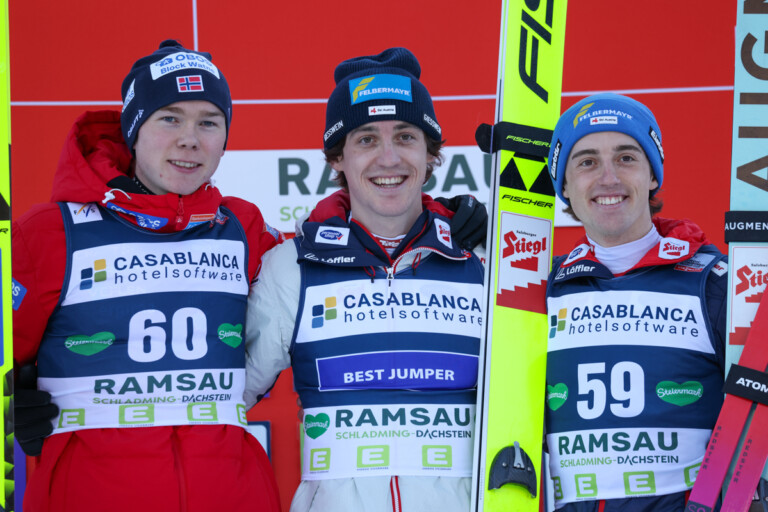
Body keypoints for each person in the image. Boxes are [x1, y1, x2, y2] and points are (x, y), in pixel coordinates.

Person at [12, 40, 283, 512]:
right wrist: (10, 405)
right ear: (133, 129)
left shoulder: (244, 228)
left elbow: (343, 257)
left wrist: (445, 222)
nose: (190, 139)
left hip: (232, 492)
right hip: (90, 493)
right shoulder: (50, 232)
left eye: (209, 122)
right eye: (170, 118)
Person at [244, 47, 485, 512]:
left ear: (431, 153)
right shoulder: (291, 268)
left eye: (406, 136)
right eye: (367, 139)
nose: (389, 158)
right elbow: (221, 393)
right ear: (338, 158)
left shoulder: (484, 259)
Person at [543, 93, 728, 512]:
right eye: (586, 161)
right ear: (565, 187)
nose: (608, 178)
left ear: (652, 176)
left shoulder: (713, 282)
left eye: (626, 158)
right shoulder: (541, 290)